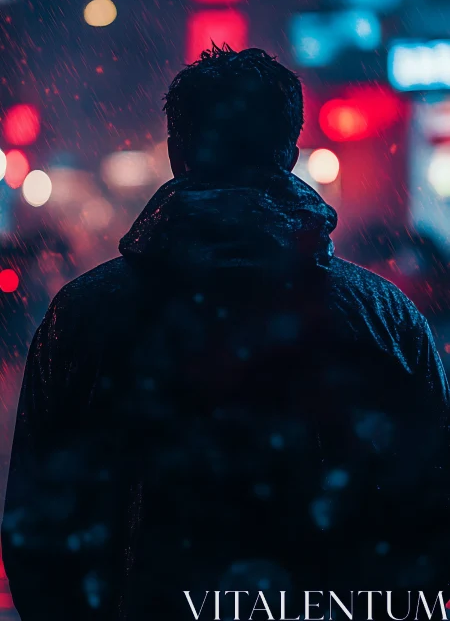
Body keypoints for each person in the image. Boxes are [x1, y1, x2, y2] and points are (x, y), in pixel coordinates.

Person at [2, 44, 450, 621]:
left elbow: (37, 530)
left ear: (176, 153)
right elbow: (432, 520)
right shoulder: (384, 318)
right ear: (289, 151)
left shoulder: (85, 317)